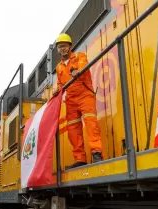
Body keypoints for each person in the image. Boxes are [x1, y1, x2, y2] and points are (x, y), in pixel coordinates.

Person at [53, 33, 103, 169]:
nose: (62, 49)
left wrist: (78, 71)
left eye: (64, 46)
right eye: (60, 47)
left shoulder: (80, 56)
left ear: (70, 47)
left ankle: (96, 153)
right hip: (70, 100)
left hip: (85, 94)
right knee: (73, 131)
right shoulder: (59, 67)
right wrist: (57, 89)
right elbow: (59, 83)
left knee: (91, 124)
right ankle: (80, 158)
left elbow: (83, 65)